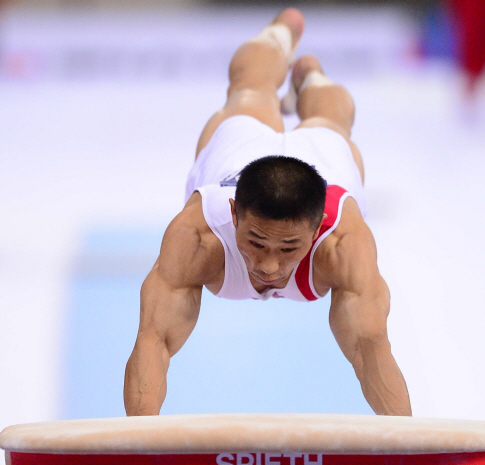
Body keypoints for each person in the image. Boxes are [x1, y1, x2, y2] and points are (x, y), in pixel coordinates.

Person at [124, 8, 412, 417]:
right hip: (238, 149)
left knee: (332, 119)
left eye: (288, 248)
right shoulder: (199, 234)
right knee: (249, 88)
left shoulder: (343, 243)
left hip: (321, 158)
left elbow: (370, 348)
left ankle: (310, 77)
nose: (268, 266)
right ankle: (281, 35)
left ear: (318, 229)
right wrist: (141, 444)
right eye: (256, 242)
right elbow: (153, 340)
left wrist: (405, 445)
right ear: (233, 215)